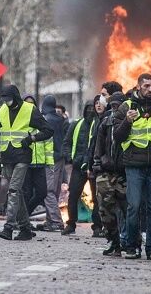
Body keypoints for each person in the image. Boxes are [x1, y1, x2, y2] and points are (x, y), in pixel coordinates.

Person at [113, 73, 151, 260]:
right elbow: (117, 136)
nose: (150, 89)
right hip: (133, 166)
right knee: (133, 207)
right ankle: (132, 247)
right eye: (146, 86)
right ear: (138, 86)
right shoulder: (126, 107)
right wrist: (127, 121)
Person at [0, 85, 53, 241]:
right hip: (7, 156)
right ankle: (25, 228)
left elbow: (48, 130)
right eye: (4, 99)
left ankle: (9, 227)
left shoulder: (29, 110)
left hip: (22, 156)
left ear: (16, 97)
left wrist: (31, 139)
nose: (6, 102)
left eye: (8, 99)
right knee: (16, 192)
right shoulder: (3, 110)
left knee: (13, 190)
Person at [61, 98, 102, 237]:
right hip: (79, 167)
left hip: (95, 168)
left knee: (97, 198)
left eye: (93, 108)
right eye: (88, 108)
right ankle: (71, 224)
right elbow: (66, 143)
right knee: (73, 196)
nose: (90, 110)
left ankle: (97, 227)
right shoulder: (76, 124)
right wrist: (70, 158)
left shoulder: (100, 124)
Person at [93, 91, 127, 256]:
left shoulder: (131, 121)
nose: (115, 109)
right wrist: (97, 163)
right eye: (112, 105)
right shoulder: (105, 123)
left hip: (125, 172)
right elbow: (98, 146)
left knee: (129, 209)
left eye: (117, 105)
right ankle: (114, 241)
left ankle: (131, 242)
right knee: (105, 210)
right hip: (106, 172)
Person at [36, 95, 69, 232]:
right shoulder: (62, 119)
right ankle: (50, 220)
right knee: (54, 191)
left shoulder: (46, 120)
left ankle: (55, 221)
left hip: (50, 159)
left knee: (48, 191)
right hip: (60, 158)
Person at [22, 95, 49, 218]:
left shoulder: (41, 120)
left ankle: (25, 216)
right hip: (25, 162)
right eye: (27, 103)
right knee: (25, 193)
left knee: (42, 192)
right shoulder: (20, 121)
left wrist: (50, 162)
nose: (30, 106)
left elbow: (48, 142)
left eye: (32, 103)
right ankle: (23, 221)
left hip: (40, 163)